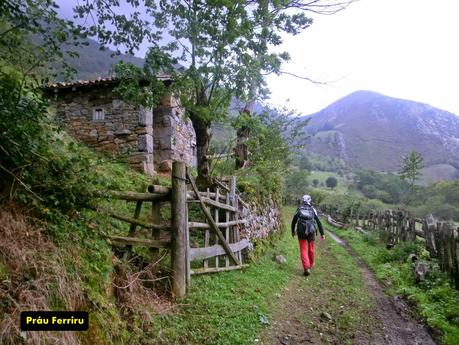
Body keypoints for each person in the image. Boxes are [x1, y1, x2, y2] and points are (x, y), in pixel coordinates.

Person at [291, 194, 325, 276]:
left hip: (301, 231)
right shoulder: (313, 209)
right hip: (311, 232)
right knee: (311, 249)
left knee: (303, 250)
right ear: (310, 201)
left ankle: (306, 268)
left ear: (302, 201)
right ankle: (311, 264)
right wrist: (322, 233)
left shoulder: (299, 209)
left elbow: (293, 221)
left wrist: (292, 231)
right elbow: (318, 222)